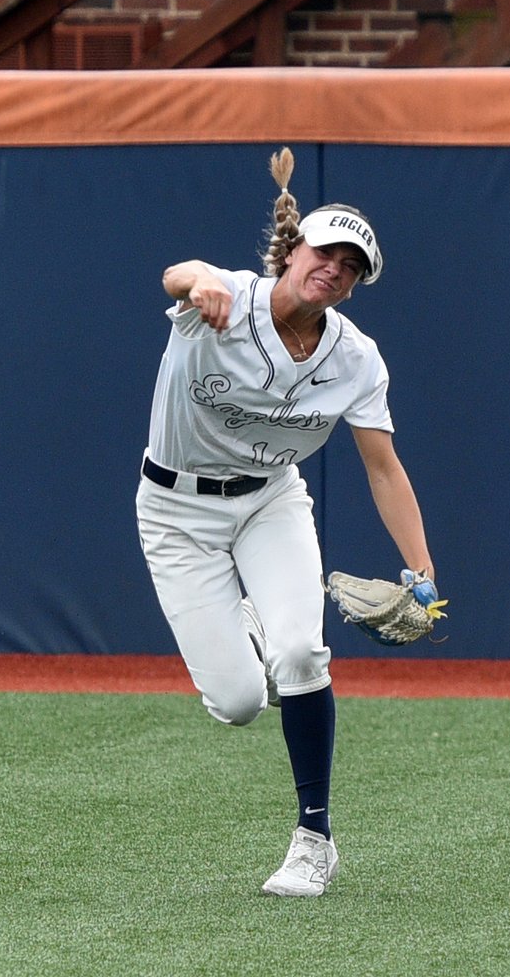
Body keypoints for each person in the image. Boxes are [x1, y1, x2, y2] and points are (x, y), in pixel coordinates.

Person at [135, 147, 437, 897]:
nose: (332, 268)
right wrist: (200, 278)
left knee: (302, 653)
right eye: (324, 251)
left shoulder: (356, 359)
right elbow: (180, 273)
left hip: (269, 500)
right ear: (293, 247)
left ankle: (314, 840)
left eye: (350, 266)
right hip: (175, 511)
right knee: (237, 703)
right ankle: (252, 627)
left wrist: (422, 575)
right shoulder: (227, 297)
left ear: (356, 285)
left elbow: (382, 467)